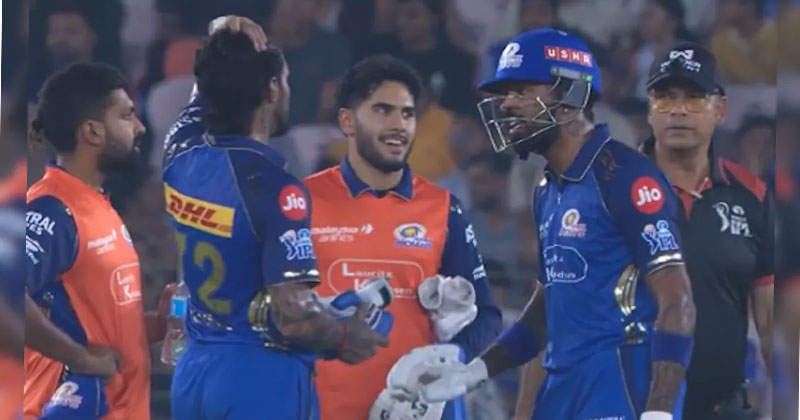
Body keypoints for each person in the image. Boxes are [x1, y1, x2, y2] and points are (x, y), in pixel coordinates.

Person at [398, 28, 696, 420]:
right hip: (562, 386)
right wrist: (474, 372)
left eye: (522, 91)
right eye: (506, 93)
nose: (507, 104)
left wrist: (659, 410)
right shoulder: (546, 189)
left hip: (621, 383)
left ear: (571, 98)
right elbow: (545, 313)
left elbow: (678, 301)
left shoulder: (626, 177)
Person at [163, 16, 388, 420]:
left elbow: (204, 89)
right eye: (285, 79)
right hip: (257, 376)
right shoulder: (276, 189)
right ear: (270, 89)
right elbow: (294, 317)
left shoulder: (179, 150)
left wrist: (221, 29)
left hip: (193, 371)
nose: (287, 89)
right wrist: (344, 336)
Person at [303, 54, 502, 420]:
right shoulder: (300, 202)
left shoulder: (444, 208)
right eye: (383, 111)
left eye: (408, 114)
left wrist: (453, 354)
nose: (399, 125)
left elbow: (486, 317)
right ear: (347, 121)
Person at [24, 62, 173, 420]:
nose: (139, 128)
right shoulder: (51, 209)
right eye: (126, 115)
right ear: (92, 131)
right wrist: (81, 360)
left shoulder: (95, 204)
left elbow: (92, 326)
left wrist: (155, 324)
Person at [641, 42, 774, 420]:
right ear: (650, 110)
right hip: (629, 404)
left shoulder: (752, 196)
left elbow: (770, 318)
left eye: (695, 98)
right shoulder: (612, 189)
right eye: (665, 97)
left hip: (723, 408)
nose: (679, 110)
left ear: (720, 110)